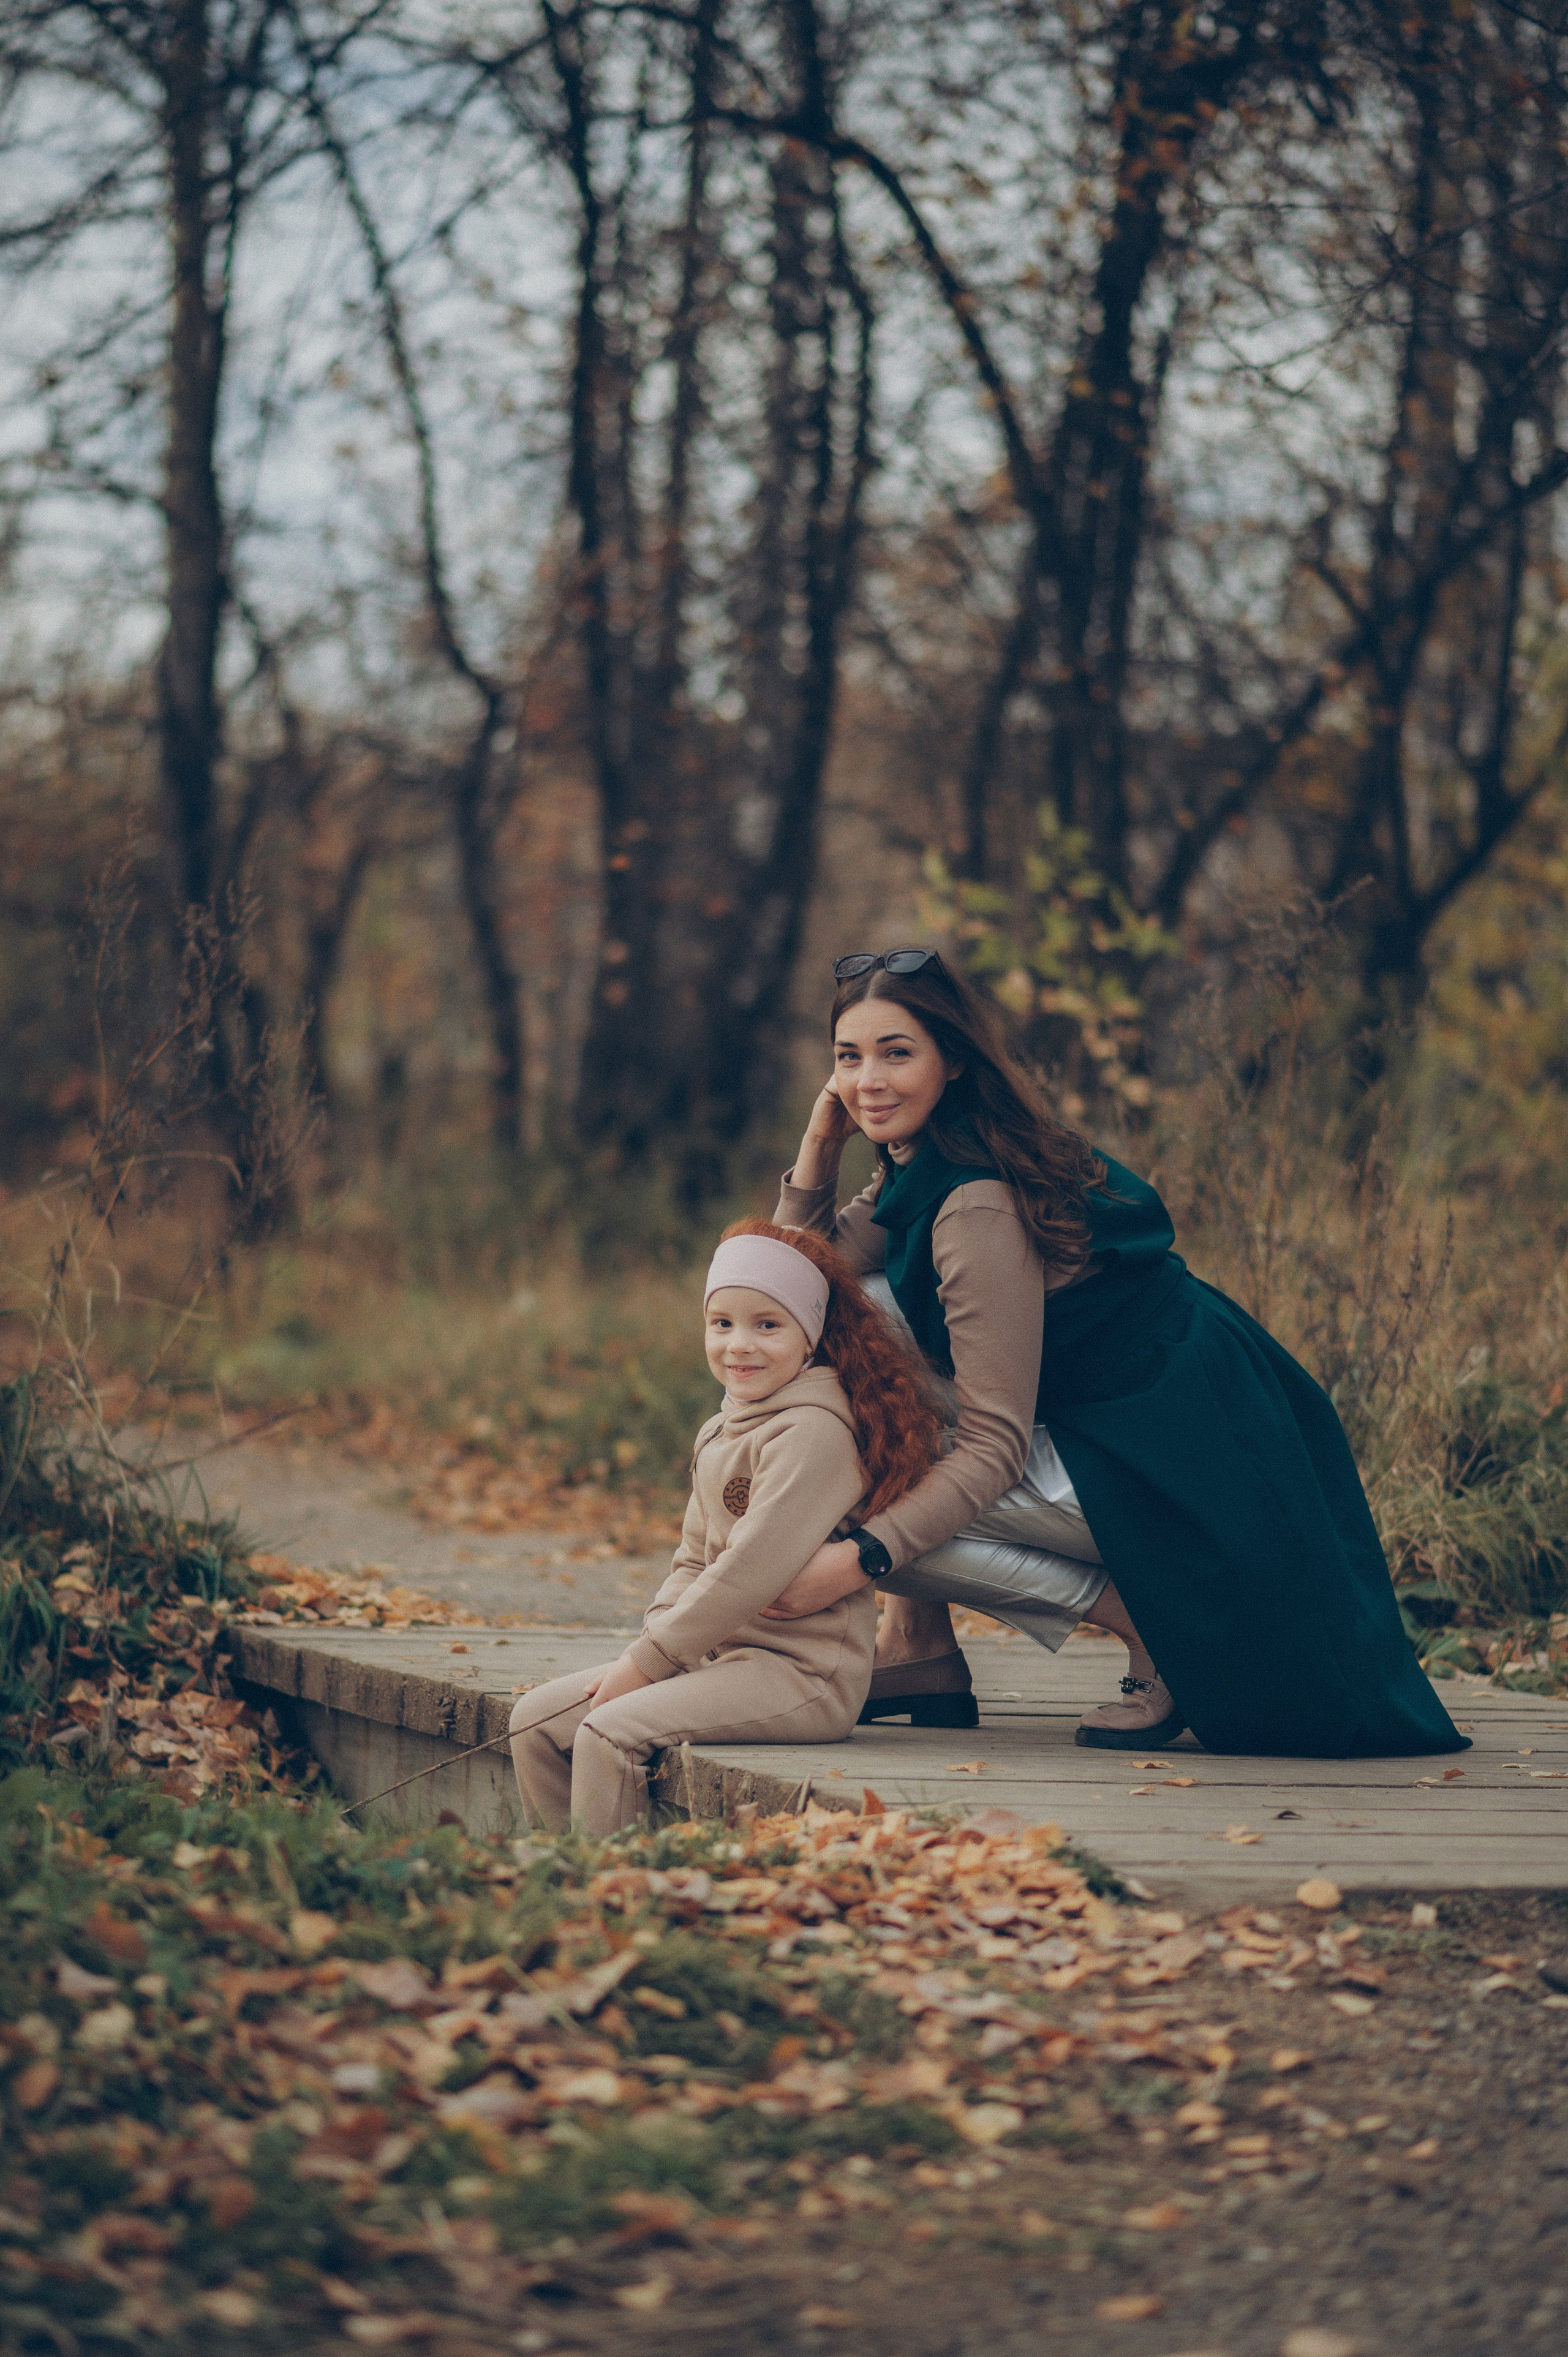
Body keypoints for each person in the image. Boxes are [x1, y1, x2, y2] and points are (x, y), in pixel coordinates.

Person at [756, 948, 1468, 1760]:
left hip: (1186, 1476)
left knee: (838, 1483)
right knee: (834, 1339)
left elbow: (993, 1448)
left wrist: (861, 1559)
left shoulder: (974, 1205)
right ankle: (917, 1644)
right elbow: (795, 1286)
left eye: (896, 1054)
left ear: (955, 1061)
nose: (869, 1081)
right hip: (1141, 1430)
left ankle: (1139, 1618)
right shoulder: (931, 1156)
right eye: (849, 1059)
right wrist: (819, 1142)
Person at [508, 1220, 940, 1832]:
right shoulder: (724, 1427)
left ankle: (613, 1903)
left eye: (768, 1324)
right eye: (722, 1323)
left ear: (810, 1335)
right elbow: (693, 1559)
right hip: (718, 1659)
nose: (740, 1344)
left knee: (608, 1731)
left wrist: (648, 1664)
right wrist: (656, 1646)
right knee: (534, 1720)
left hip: (801, 1677)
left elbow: (747, 1570)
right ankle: (564, 1882)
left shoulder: (814, 1433)